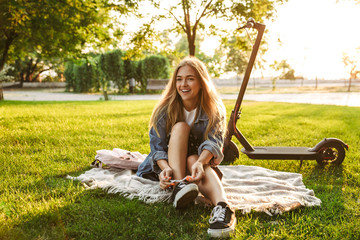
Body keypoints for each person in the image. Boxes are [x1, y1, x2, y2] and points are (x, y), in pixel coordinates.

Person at [136, 56, 236, 238]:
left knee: (193, 159)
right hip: (171, 165)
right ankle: (180, 187)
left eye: (190, 79)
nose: (184, 84)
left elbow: (214, 142)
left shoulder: (214, 109)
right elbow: (157, 148)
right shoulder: (164, 109)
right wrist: (165, 170)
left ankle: (223, 207)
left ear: (201, 82)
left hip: (196, 164)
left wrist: (199, 162)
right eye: (179, 79)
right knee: (180, 127)